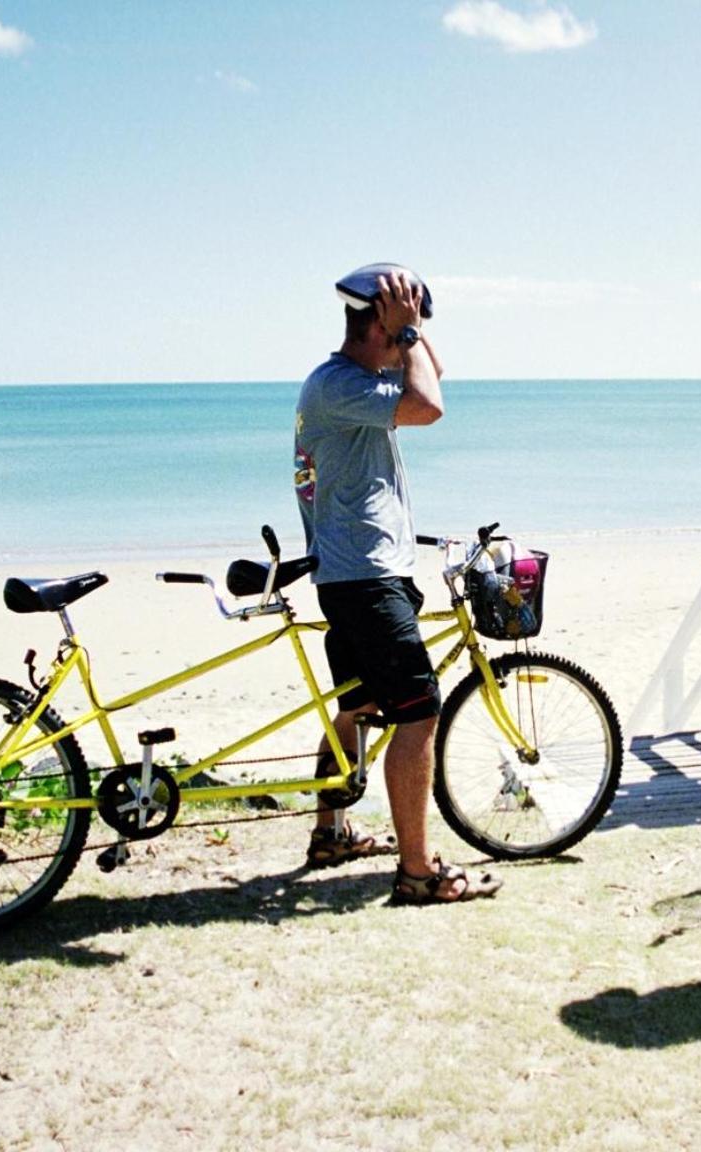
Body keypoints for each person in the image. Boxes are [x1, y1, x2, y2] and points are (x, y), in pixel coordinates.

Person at [292, 262, 501, 904]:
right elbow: (430, 406)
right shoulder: (339, 385)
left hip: (356, 570)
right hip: (366, 576)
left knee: (354, 706)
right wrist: (404, 331)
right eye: (405, 325)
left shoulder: (354, 380)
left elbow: (435, 379)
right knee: (418, 714)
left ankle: (331, 832)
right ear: (379, 322)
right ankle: (416, 871)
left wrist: (407, 329)